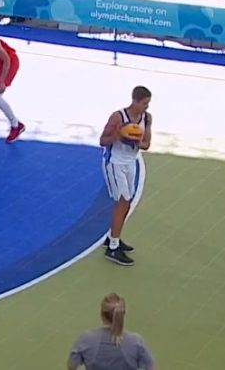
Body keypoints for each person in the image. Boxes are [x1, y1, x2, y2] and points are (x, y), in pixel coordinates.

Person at [99, 86, 152, 266]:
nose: (146, 107)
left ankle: (112, 236)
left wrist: (135, 140)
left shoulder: (147, 118)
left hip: (131, 162)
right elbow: (102, 141)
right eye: (144, 103)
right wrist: (118, 135)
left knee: (127, 203)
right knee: (123, 201)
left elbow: (146, 144)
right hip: (115, 162)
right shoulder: (118, 117)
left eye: (148, 103)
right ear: (134, 101)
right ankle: (113, 248)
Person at [67, 293, 156, 370]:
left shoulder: (86, 339)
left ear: (101, 314)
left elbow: (71, 366)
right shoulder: (135, 341)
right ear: (123, 314)